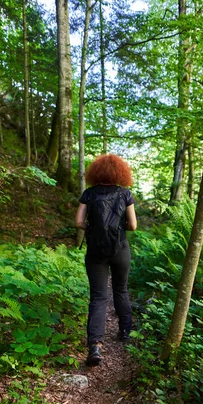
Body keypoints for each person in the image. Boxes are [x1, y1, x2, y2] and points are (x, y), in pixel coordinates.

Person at [75, 153, 137, 366]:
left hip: (95, 251)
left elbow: (78, 222)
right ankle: (126, 331)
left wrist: (92, 228)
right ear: (120, 172)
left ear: (96, 172)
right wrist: (118, 228)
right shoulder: (125, 194)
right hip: (120, 249)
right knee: (121, 289)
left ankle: (95, 346)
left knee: (99, 297)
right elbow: (133, 225)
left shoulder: (89, 194)